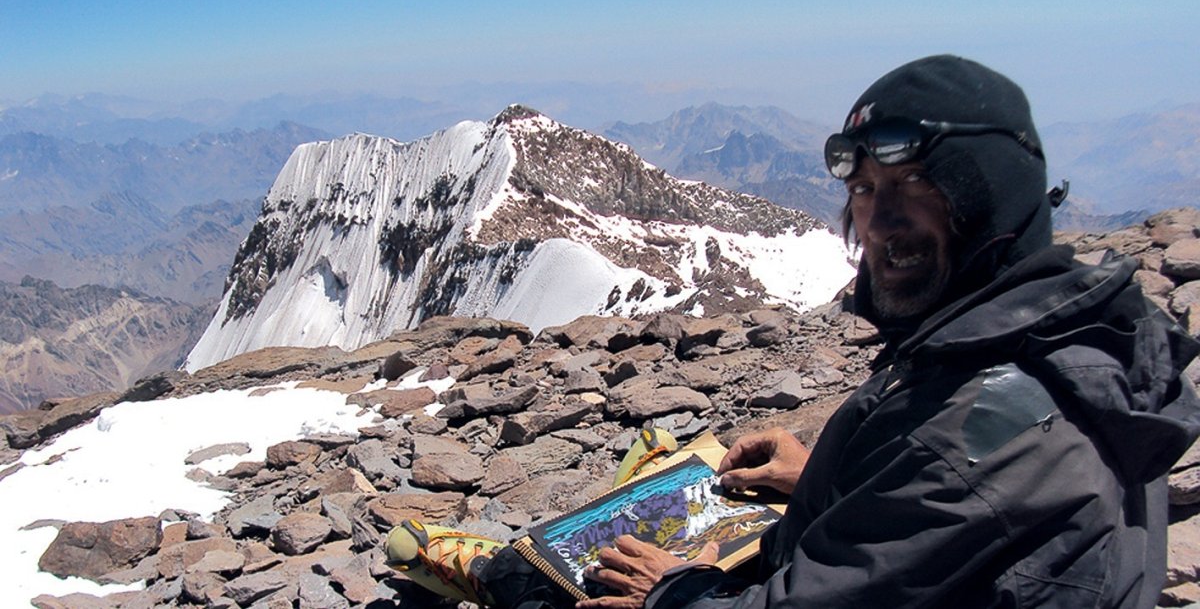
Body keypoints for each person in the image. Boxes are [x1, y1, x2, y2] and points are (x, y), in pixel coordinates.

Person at [386, 55, 1200, 609]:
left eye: (913, 186)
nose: (878, 221)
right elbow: (944, 519)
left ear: (988, 194)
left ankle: (500, 576)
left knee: (585, 581)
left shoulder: (973, 444)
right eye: (868, 189)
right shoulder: (1069, 337)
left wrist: (671, 592)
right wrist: (827, 474)